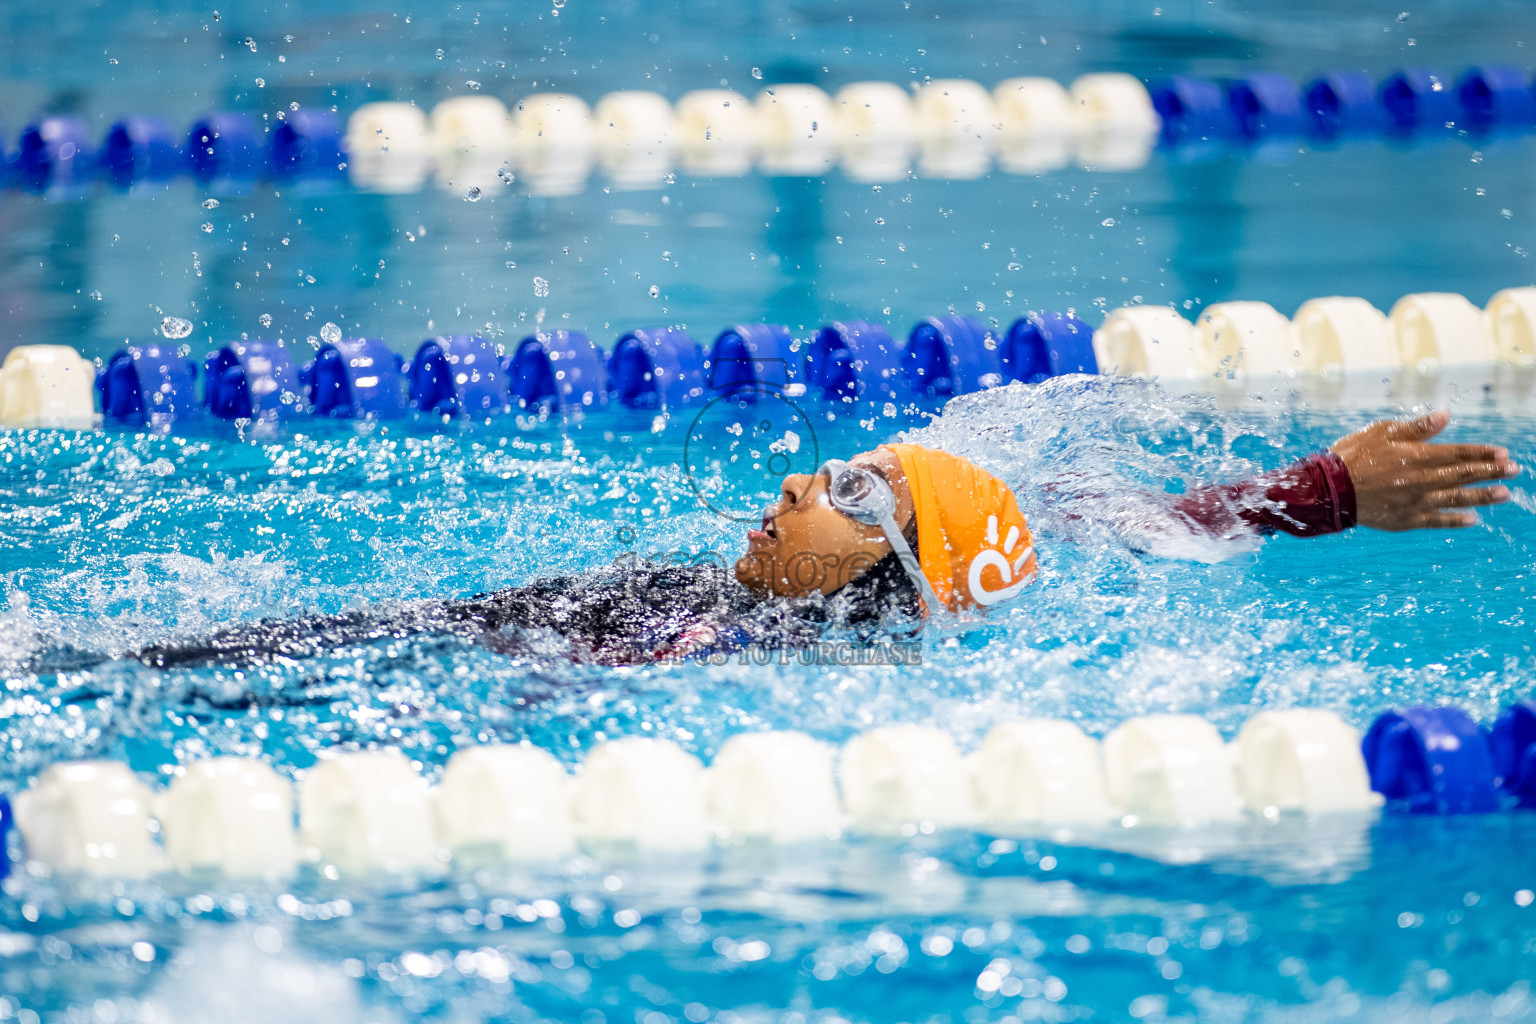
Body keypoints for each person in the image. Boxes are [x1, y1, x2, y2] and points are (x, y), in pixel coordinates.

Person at [92, 408, 1515, 674]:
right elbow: (1102, 528)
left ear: (884, 571)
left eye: (849, 494)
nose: (793, 485)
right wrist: (1313, 493)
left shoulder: (713, 633)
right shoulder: (734, 601)